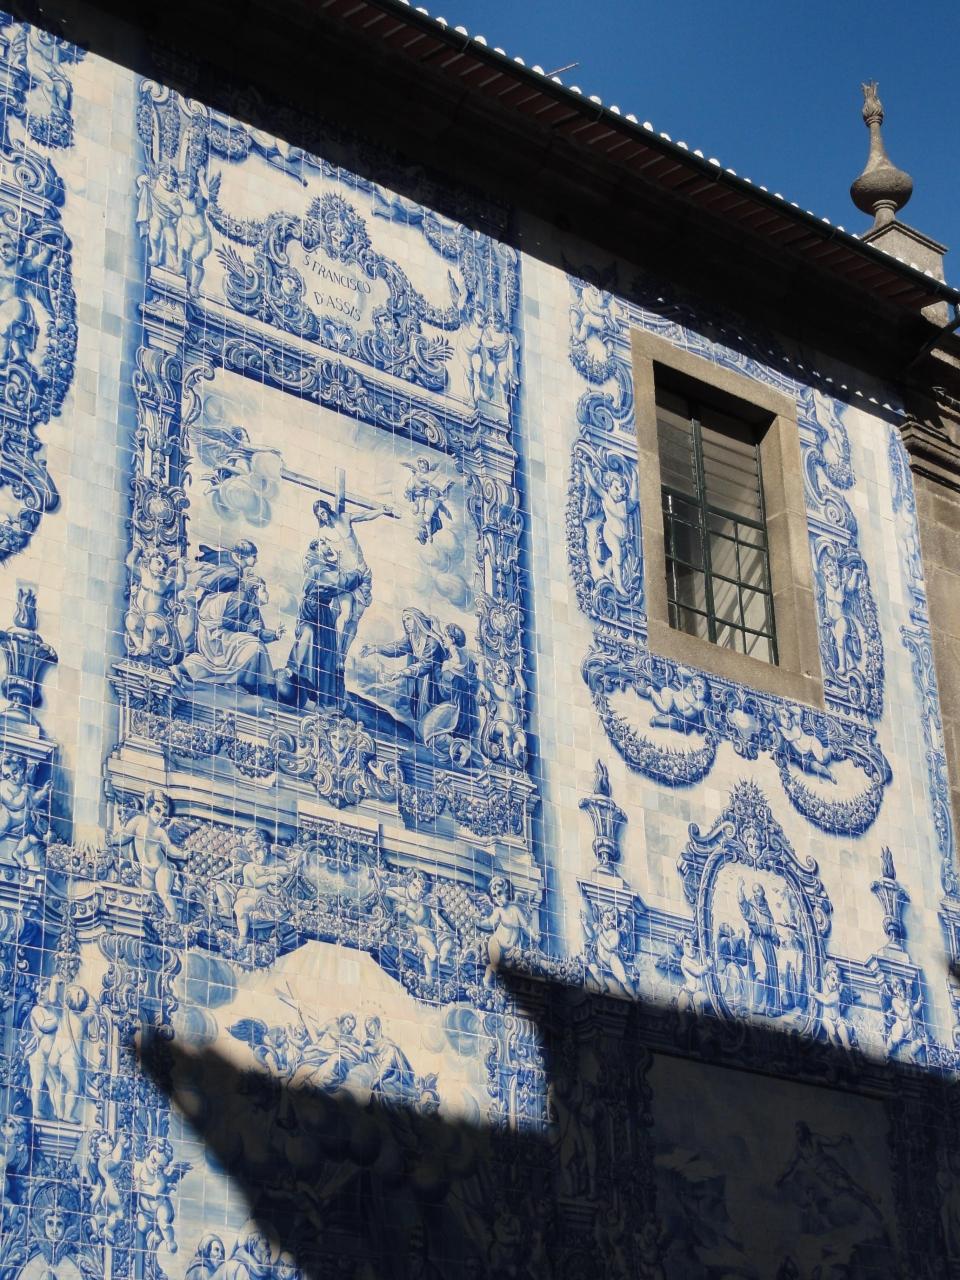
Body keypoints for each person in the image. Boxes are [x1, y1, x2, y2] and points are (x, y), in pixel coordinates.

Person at [311, 495, 398, 675]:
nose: (323, 517)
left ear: (328, 509)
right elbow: (322, 554)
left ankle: (341, 657)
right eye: (319, 515)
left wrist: (382, 510)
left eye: (323, 512)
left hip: (362, 573)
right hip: (346, 576)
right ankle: (332, 650)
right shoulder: (323, 533)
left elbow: (364, 515)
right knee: (345, 615)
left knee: (354, 619)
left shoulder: (345, 518)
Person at [180, 564, 284, 698]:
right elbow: (226, 621)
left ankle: (249, 682)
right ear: (255, 589)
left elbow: (258, 632)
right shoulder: (241, 597)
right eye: (264, 590)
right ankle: (248, 683)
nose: (267, 594)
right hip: (215, 635)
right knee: (255, 646)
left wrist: (275, 635)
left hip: (226, 634)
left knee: (256, 646)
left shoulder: (254, 608)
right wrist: (247, 628)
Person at [279, 541, 343, 708]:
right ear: (316, 548)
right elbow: (326, 585)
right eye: (324, 543)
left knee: (326, 653)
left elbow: (335, 592)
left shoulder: (328, 568)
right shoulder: (316, 567)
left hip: (325, 613)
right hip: (313, 608)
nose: (328, 546)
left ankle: (321, 700)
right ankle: (294, 666)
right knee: (309, 634)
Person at [362, 608, 446, 733]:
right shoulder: (411, 638)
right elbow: (397, 647)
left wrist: (400, 673)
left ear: (418, 620)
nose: (406, 623)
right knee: (416, 705)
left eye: (408, 619)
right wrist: (375, 648)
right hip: (418, 682)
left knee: (431, 712)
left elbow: (425, 665)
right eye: (404, 620)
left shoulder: (432, 642)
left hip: (432, 685)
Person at [110, 790, 183, 920]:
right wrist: (112, 840)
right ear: (148, 808)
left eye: (164, 815)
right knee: (148, 899)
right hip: (145, 870)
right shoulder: (138, 822)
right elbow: (125, 836)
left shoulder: (160, 832)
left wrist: (183, 855)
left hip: (161, 867)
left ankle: (175, 917)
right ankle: (159, 918)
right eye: (157, 810)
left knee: (164, 892)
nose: (160, 816)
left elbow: (169, 849)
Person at [737, 879, 782, 1017]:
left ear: (763, 892)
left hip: (767, 944)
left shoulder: (766, 908)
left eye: (758, 890)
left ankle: (767, 1006)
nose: (756, 893)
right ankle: (755, 1005)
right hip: (757, 941)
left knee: (769, 974)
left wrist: (775, 935)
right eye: (754, 891)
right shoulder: (752, 905)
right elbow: (744, 907)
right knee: (760, 972)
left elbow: (771, 926)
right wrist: (740, 888)